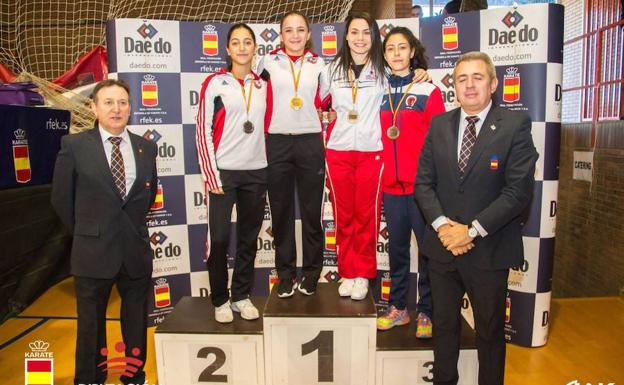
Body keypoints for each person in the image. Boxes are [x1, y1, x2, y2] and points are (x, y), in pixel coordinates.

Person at [415, 51, 538, 385]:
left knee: (489, 331)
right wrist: (443, 227)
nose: (469, 86)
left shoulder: (515, 125)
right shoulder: (440, 124)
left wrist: (470, 231)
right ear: (453, 85)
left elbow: (517, 192)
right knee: (443, 327)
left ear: (493, 83)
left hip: (488, 248)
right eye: (461, 78)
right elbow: (423, 183)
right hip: (442, 248)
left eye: (478, 77)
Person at [51, 79, 158, 385]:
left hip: (134, 251)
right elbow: (61, 199)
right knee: (90, 324)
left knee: (136, 320)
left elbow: (147, 199)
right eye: (108, 102)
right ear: (94, 107)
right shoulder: (73, 147)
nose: (116, 109)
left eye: (123, 102)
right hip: (92, 252)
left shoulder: (146, 147)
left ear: (130, 108)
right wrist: (88, 232)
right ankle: (90, 378)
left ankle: (134, 375)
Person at [320, 11, 428, 301]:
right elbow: (314, 103)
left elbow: (407, 79)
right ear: (346, 36)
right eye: (354, 32)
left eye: (366, 33)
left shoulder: (383, 70)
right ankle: (346, 271)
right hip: (339, 152)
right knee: (344, 216)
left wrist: (420, 71)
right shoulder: (330, 70)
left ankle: (364, 274)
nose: (360, 38)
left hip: (372, 153)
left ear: (374, 36)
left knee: (366, 216)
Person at [196, 23, 268, 323]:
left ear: (254, 48)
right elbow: (202, 130)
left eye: (247, 42)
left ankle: (240, 295)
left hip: (257, 173)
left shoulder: (264, 84)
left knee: (249, 240)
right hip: (223, 174)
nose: (242, 47)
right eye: (235, 43)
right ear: (227, 49)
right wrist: (211, 175)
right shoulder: (214, 82)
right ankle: (220, 299)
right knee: (221, 239)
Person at [376, 27, 445, 338]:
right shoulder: (376, 89)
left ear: (412, 52)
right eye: (390, 49)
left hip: (421, 189)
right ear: (385, 55)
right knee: (398, 252)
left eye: (402, 48)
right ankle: (398, 308)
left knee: (428, 253)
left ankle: (427, 312)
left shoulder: (429, 91)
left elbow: (439, 141)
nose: (396, 54)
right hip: (391, 187)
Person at [256, 11, 326, 298]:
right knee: (282, 212)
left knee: (312, 214)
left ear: (308, 34)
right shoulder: (267, 62)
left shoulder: (320, 64)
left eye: (300, 30)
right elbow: (253, 94)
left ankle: (311, 273)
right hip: (277, 143)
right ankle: (285, 274)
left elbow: (330, 100)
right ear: (280, 34)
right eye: (288, 30)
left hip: (310, 142)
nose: (295, 35)